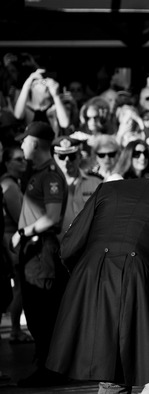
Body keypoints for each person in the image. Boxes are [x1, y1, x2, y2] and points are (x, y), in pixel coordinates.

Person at [46, 143, 149, 394]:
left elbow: (69, 247)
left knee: (115, 373)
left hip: (93, 282)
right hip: (140, 285)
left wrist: (91, 280)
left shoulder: (108, 189)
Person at [11, 121, 68, 387]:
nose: (22, 144)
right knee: (35, 312)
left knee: (42, 313)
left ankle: (50, 370)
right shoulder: (38, 172)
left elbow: (53, 217)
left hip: (42, 252)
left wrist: (23, 233)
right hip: (33, 252)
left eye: (25, 140)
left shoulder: (51, 176)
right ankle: (44, 366)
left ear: (35, 143)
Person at [1, 146, 33, 344]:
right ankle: (15, 329)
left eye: (24, 159)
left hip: (13, 240)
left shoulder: (13, 183)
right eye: (18, 159)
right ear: (7, 162)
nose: (23, 162)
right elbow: (21, 217)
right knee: (20, 288)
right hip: (12, 242)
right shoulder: (9, 186)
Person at [52, 136, 102, 237]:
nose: (67, 161)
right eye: (61, 156)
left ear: (79, 156)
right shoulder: (48, 185)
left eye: (71, 156)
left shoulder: (96, 183)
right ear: (54, 157)